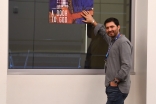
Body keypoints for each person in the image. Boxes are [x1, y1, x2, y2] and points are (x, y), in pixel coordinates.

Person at [81, 11, 133, 104]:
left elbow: (127, 65)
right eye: (107, 28)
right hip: (113, 87)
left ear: (118, 27)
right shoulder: (113, 41)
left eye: (112, 27)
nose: (109, 30)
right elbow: (103, 32)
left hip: (117, 88)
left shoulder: (123, 42)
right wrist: (93, 21)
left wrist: (115, 81)